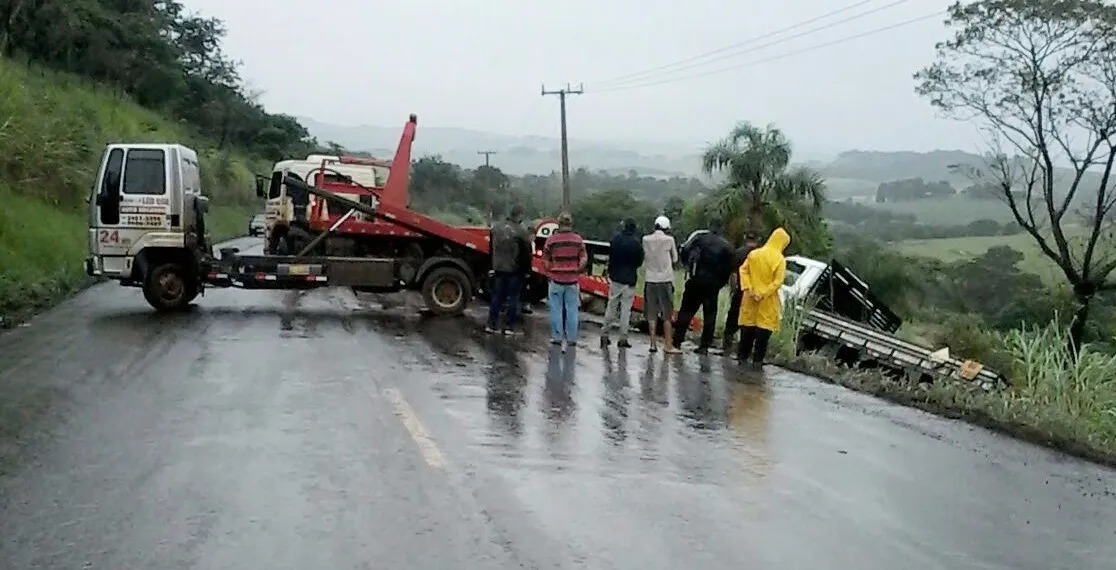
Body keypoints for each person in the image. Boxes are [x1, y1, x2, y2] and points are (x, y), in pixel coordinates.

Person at [672, 220, 734, 354]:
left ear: (709, 227)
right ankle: (704, 346)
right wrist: (720, 283)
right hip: (713, 284)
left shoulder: (699, 239)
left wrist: (688, 268)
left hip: (696, 279)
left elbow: (685, 251)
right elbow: (728, 269)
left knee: (686, 311)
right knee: (710, 315)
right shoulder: (726, 246)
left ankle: (677, 340)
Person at [736, 227, 791, 369]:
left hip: (749, 297)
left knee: (747, 328)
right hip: (767, 300)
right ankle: (757, 361)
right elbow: (778, 282)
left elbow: (743, 270)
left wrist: (748, 288)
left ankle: (742, 357)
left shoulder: (754, 254)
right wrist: (764, 293)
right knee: (763, 331)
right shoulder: (779, 259)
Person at [541, 212, 588, 351]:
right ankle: (572, 338)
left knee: (556, 309)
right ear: (571, 224)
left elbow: (545, 259)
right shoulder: (578, 240)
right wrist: (578, 269)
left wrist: (550, 270)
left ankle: (557, 337)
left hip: (556, 279)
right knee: (572, 310)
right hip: (572, 280)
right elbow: (584, 258)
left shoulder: (551, 240)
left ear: (559, 224)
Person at [485, 204, 533, 334]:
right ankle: (509, 327)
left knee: (497, 297)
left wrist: (492, 265)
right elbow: (526, 253)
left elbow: (490, 249)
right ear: (520, 215)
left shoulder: (496, 228)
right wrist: (527, 270)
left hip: (498, 267)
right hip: (515, 269)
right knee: (513, 299)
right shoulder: (521, 231)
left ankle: (491, 324)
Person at [600, 218, 644, 348]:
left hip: (616, 277)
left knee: (611, 306)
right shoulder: (636, 244)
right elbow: (639, 262)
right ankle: (623, 338)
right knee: (626, 310)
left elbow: (611, 256)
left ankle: (604, 334)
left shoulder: (616, 240)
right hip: (629, 279)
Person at [641, 215, 682, 354]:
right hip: (665, 279)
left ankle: (652, 344)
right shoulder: (669, 240)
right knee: (666, 314)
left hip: (650, 279)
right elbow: (675, 259)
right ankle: (668, 345)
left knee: (651, 313)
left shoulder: (645, 239)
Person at [722, 232, 762, 353]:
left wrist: (733, 290)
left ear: (745, 238)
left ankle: (727, 347)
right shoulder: (761, 254)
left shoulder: (739, 252)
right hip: (755, 293)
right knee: (750, 322)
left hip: (741, 290)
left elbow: (734, 274)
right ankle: (745, 350)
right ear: (758, 239)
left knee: (733, 318)